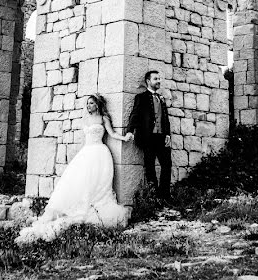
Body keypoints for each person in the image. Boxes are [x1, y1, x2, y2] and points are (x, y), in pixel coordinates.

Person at [16, 94, 131, 244]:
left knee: (99, 184)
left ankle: (94, 207)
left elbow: (112, 133)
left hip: (100, 153)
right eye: (87, 103)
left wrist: (124, 138)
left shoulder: (103, 118)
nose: (88, 106)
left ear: (97, 104)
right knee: (78, 181)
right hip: (87, 152)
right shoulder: (86, 119)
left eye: (91, 103)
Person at [128, 70, 172, 200]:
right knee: (150, 168)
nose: (159, 81)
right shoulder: (141, 98)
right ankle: (154, 196)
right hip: (148, 138)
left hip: (161, 137)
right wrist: (130, 130)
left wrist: (167, 135)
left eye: (159, 79)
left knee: (167, 165)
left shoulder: (161, 98)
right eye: (155, 79)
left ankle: (164, 195)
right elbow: (135, 115)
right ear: (148, 81)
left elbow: (165, 118)